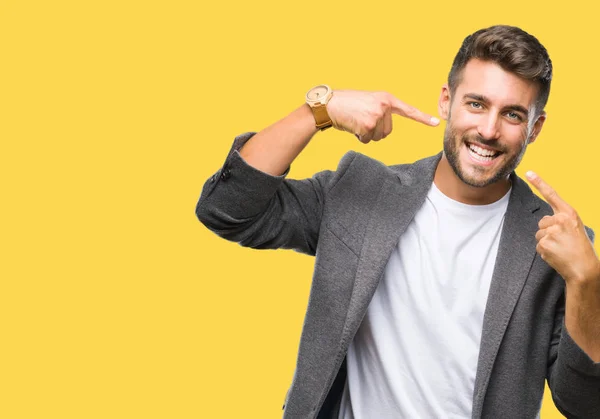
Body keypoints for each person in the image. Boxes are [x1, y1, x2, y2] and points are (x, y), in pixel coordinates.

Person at [196, 25, 600, 418]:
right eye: (476, 104)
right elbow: (226, 208)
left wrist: (587, 283)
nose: (488, 130)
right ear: (446, 101)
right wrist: (317, 112)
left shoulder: (558, 244)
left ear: (535, 128)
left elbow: (585, 404)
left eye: (512, 114)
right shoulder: (364, 191)